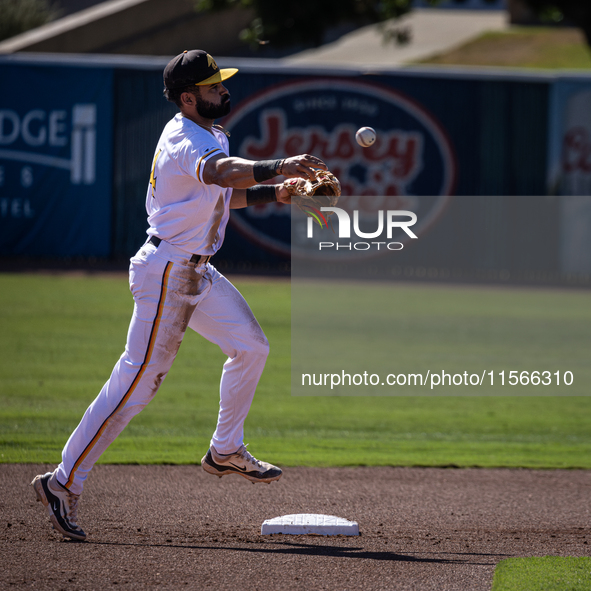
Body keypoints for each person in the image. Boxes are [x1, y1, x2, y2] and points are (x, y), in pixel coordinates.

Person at [31, 49, 327, 541]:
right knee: (136, 383)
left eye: (220, 83)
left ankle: (225, 449)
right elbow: (221, 173)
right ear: (188, 98)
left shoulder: (210, 134)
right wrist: (278, 165)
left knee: (251, 347)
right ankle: (62, 482)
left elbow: (222, 191)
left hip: (195, 272)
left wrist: (274, 193)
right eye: (213, 87)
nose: (223, 91)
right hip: (168, 270)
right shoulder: (184, 139)